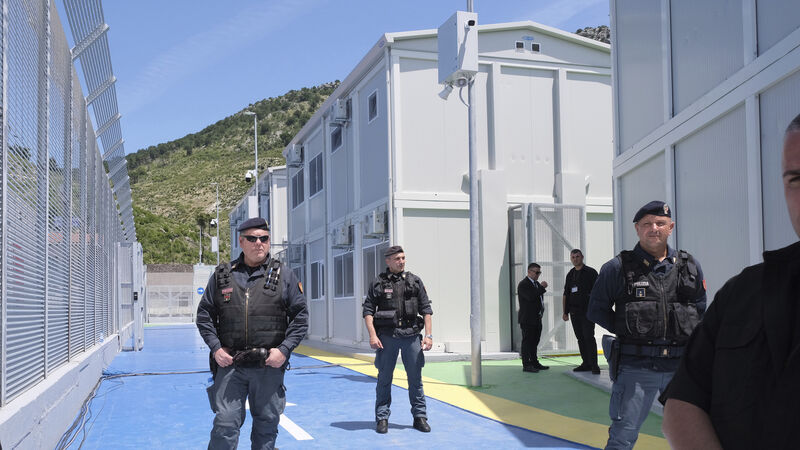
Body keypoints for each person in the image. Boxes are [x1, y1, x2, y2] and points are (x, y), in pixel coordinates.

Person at [660, 113, 800, 449]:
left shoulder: (689, 267)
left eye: (660, 224)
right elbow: (682, 401)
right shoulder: (744, 292)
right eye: (796, 179)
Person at [587, 200, 706, 450]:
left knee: (695, 435)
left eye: (660, 223)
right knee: (623, 437)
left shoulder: (689, 266)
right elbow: (596, 309)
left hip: (681, 369)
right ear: (637, 228)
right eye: (647, 224)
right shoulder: (617, 268)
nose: (654, 228)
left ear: (671, 227)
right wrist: (626, 329)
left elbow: (700, 309)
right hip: (636, 368)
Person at [196, 217, 308, 450]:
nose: (259, 243)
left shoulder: (285, 276)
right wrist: (216, 348)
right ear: (241, 241)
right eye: (252, 238)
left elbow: (300, 318)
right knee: (225, 424)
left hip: (268, 366)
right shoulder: (222, 275)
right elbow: (204, 315)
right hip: (231, 364)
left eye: (264, 238)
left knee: (267, 424)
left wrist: (284, 350)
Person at [362, 245, 433, 434]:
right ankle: (382, 417)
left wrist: (428, 335)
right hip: (388, 337)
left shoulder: (415, 281)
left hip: (411, 336)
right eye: (397, 259)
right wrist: (372, 335)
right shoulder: (378, 283)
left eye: (403, 258)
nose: (401, 261)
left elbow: (426, 309)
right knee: (384, 379)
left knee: (415, 379)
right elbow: (368, 311)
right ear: (388, 261)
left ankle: (420, 417)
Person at [562, 249, 600, 374]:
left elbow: (598, 291)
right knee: (580, 338)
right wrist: (565, 312)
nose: (575, 259)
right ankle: (586, 363)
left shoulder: (591, 272)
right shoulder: (570, 274)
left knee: (589, 337)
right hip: (574, 312)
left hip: (587, 312)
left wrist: (597, 308)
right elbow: (566, 294)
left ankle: (594, 365)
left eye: (577, 256)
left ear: (582, 257)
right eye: (573, 257)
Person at [517, 263, 549, 373]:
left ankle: (534, 362)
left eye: (539, 272)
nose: (538, 275)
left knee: (535, 341)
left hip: (536, 318)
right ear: (529, 272)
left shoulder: (536, 284)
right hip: (527, 319)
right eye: (536, 272)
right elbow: (530, 297)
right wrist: (542, 287)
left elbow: (538, 299)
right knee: (527, 342)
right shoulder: (523, 284)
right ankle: (526, 364)